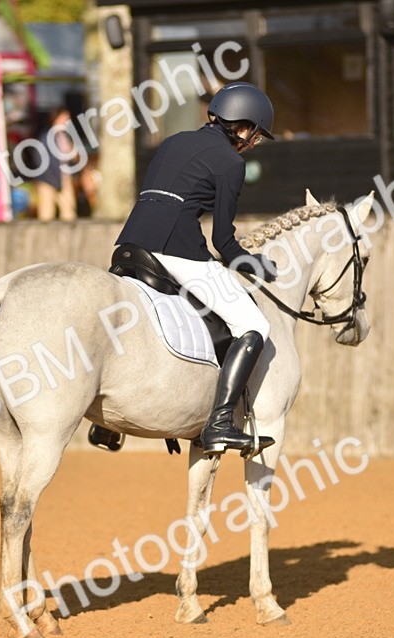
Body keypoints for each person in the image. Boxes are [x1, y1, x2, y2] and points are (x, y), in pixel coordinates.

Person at [114, 82, 277, 455]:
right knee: (254, 326)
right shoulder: (232, 163)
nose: (254, 143)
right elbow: (224, 242)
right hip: (177, 251)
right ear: (242, 126)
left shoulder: (172, 142)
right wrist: (257, 265)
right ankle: (220, 422)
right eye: (256, 134)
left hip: (128, 246)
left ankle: (109, 427)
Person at [35, 108, 79, 221]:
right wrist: (50, 178)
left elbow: (71, 158)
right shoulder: (46, 137)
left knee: (69, 212)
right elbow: (40, 159)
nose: (67, 121)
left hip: (64, 177)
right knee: (46, 213)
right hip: (47, 179)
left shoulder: (64, 137)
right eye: (65, 118)